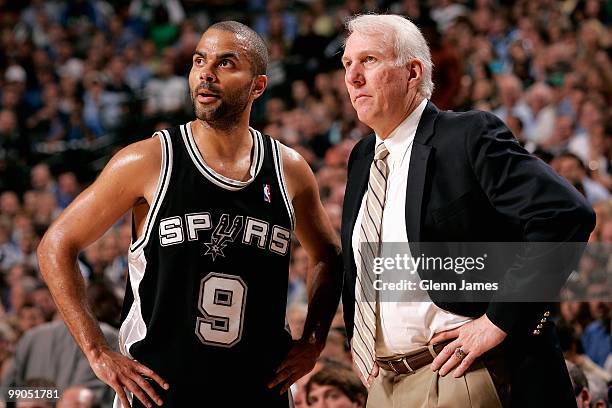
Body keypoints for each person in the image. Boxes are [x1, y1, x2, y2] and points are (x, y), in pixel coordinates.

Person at [37, 21, 342, 408]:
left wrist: (314, 339)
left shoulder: (290, 169)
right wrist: (96, 349)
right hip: (159, 392)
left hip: (259, 391)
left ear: (258, 86)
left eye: (226, 63)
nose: (206, 73)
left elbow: (329, 257)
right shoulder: (148, 160)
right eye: (200, 60)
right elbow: (56, 244)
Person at [340, 14, 595, 408]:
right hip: (384, 382)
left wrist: (498, 321)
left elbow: (564, 215)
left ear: (413, 72)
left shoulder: (467, 135)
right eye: (347, 64)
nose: (353, 77)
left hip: (459, 373)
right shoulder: (361, 157)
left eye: (369, 61)